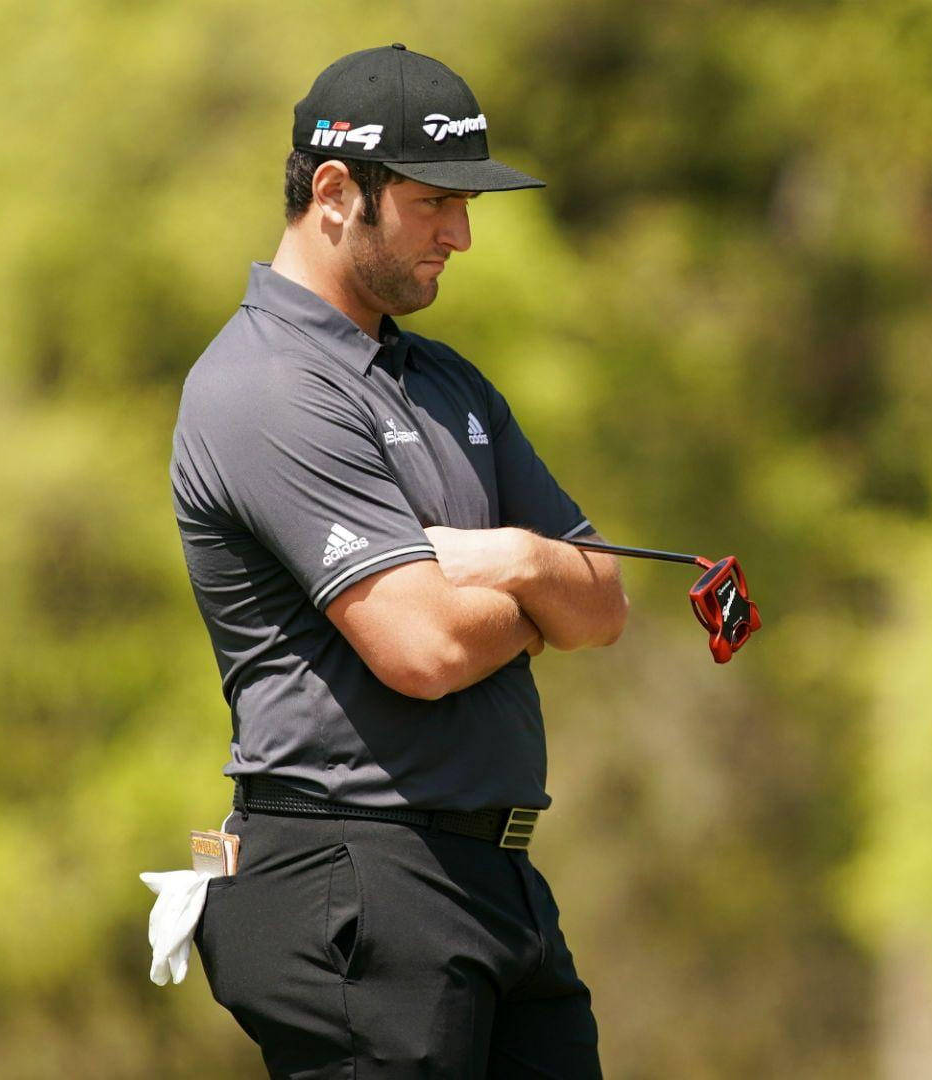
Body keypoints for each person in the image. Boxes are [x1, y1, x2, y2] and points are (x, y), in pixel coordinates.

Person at [169, 44, 628, 1078]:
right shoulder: (266, 385)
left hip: (493, 882)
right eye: (433, 204)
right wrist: (537, 596)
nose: (460, 236)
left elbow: (604, 603)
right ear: (335, 193)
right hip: (356, 883)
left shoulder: (445, 380)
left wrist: (505, 556)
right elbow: (421, 645)